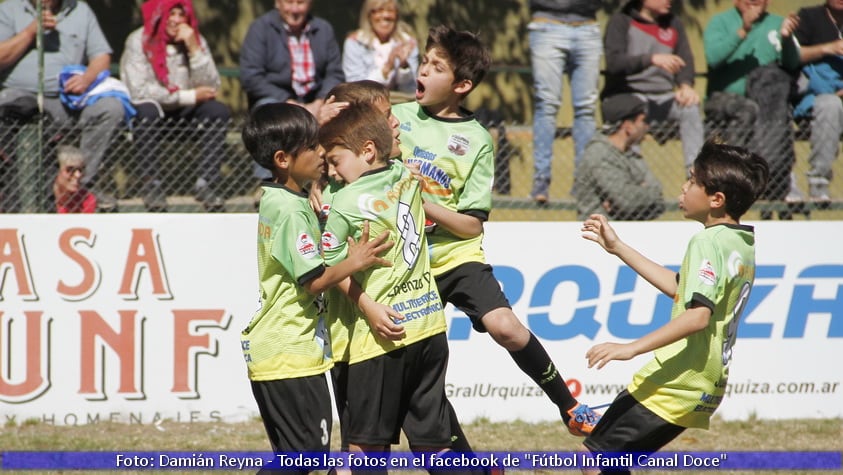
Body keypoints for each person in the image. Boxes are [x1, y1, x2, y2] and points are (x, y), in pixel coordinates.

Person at [392, 25, 601, 438]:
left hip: (456, 257)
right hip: (405, 265)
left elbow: (471, 224)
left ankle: (570, 405)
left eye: (436, 67)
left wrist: (422, 200)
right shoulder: (395, 117)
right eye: (424, 62)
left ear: (462, 85)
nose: (424, 70)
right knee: (419, 371)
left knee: (506, 326)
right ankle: (472, 463)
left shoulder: (477, 141)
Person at [578, 141, 770, 475]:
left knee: (594, 461)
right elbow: (681, 290)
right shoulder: (740, 243)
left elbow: (697, 315)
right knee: (607, 462)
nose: (684, 187)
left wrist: (630, 348)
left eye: (693, 181)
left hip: (679, 381)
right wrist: (619, 248)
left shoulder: (707, 241)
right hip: (701, 382)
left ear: (716, 199)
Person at [319, 102, 480, 471]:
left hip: (382, 337)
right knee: (434, 446)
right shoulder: (407, 176)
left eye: (336, 160)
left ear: (367, 151)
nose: (332, 171)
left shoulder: (343, 202)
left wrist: (367, 306)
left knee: (364, 449)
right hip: (428, 328)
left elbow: (329, 266)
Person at [240, 102, 394, 469]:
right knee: (308, 457)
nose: (321, 152)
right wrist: (354, 261)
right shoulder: (292, 211)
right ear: (283, 158)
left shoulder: (279, 199)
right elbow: (313, 282)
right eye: (310, 147)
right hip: (289, 352)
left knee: (295, 458)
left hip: (276, 352)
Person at [0, 0, 124, 212]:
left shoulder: (81, 11)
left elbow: (102, 57)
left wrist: (87, 78)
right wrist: (31, 31)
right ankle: (18, 191)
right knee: (17, 106)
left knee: (110, 108)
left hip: (69, 101)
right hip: (20, 97)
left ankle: (81, 184)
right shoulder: (8, 9)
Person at [120, 0, 229, 212]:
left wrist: (194, 49)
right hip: (154, 110)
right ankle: (151, 185)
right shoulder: (138, 41)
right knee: (146, 111)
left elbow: (211, 85)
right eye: (171, 14)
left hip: (186, 111)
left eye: (182, 14)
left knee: (217, 111)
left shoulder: (195, 39)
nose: (177, 20)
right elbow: (139, 90)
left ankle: (206, 183)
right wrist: (188, 96)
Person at [703, 0, 801, 216]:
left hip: (767, 106)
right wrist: (743, 30)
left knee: (777, 112)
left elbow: (792, 64)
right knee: (747, 109)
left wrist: (786, 38)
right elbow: (713, 58)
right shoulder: (721, 22)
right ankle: (735, 174)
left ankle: (778, 180)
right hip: (723, 100)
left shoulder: (777, 23)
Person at [240, 0, 345, 184]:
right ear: (277, 3)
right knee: (268, 112)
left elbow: (334, 73)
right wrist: (288, 102)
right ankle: (267, 180)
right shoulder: (260, 28)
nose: (295, 9)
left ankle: (332, 176)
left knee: (340, 110)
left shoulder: (323, 29)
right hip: (277, 100)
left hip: (315, 99)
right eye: (289, 2)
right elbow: (251, 76)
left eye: (300, 2)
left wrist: (320, 102)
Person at [602, 0, 704, 173]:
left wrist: (685, 86)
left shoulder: (674, 23)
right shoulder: (621, 21)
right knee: (634, 113)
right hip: (629, 96)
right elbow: (614, 62)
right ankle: (634, 175)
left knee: (690, 108)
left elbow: (685, 60)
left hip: (663, 97)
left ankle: (695, 175)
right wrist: (651, 59)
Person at [527, 0, 602, 204]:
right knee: (547, 104)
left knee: (586, 109)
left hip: (588, 26)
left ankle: (583, 183)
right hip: (546, 24)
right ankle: (540, 181)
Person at [574, 94, 664, 221]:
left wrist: (647, 194)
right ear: (628, 126)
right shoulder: (599, 153)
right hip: (600, 236)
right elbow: (627, 201)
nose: (647, 127)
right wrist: (644, 190)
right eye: (643, 121)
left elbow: (659, 200)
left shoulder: (632, 156)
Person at [792, 0, 843, 203]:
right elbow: (792, 56)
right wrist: (829, 48)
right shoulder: (809, 17)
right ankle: (818, 183)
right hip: (814, 97)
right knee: (830, 105)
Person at [342, 0, 418, 97]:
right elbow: (356, 89)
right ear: (369, 16)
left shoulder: (408, 43)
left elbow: (410, 90)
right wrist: (387, 67)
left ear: (397, 15)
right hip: (366, 103)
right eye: (379, 10)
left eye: (390, 10)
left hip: (400, 101)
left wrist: (404, 65)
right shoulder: (355, 43)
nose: (385, 15)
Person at [51, 145, 96, 213]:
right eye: (70, 169)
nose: (78, 175)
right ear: (57, 171)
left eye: (80, 170)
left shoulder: (86, 199)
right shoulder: (41, 196)